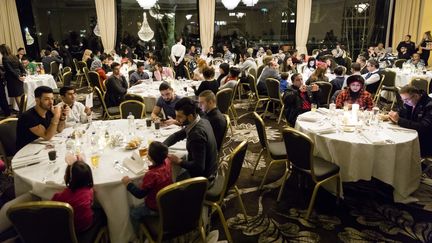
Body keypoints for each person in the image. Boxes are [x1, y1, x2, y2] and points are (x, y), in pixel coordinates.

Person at [121, 141, 172, 234]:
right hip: (168, 203)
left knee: (133, 213)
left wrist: (128, 184)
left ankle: (137, 236)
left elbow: (140, 194)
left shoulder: (152, 175)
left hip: (155, 208)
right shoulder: (167, 162)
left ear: (149, 157)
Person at [163, 97, 218, 184]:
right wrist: (163, 145)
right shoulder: (202, 120)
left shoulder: (196, 135)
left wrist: (179, 161)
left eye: (180, 117)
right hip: (212, 167)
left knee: (166, 181)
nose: (176, 119)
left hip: (204, 179)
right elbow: (178, 135)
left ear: (190, 116)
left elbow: (199, 167)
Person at [52, 157, 101, 233]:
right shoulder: (89, 191)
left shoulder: (62, 195)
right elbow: (91, 204)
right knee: (101, 212)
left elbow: (54, 201)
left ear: (67, 177)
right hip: (86, 225)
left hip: (66, 228)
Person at [388, 85, 432, 157]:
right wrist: (392, 117)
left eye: (406, 100)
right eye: (403, 100)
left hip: (425, 142)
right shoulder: (409, 102)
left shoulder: (429, 105)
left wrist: (399, 120)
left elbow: (423, 127)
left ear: (416, 96)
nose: (405, 102)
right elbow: (400, 112)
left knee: (394, 146)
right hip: (412, 134)